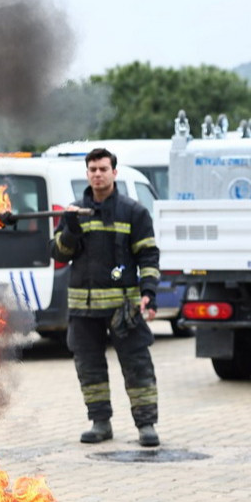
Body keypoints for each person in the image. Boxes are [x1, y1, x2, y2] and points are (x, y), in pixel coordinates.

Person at [51, 148, 162, 447]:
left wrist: (149, 293)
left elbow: (148, 255)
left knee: (138, 365)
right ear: (87, 174)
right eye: (93, 169)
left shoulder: (134, 212)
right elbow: (59, 254)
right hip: (83, 309)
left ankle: (146, 425)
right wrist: (70, 231)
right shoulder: (74, 212)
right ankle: (100, 423)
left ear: (114, 172)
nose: (98, 174)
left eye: (103, 169)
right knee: (89, 368)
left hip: (123, 309)